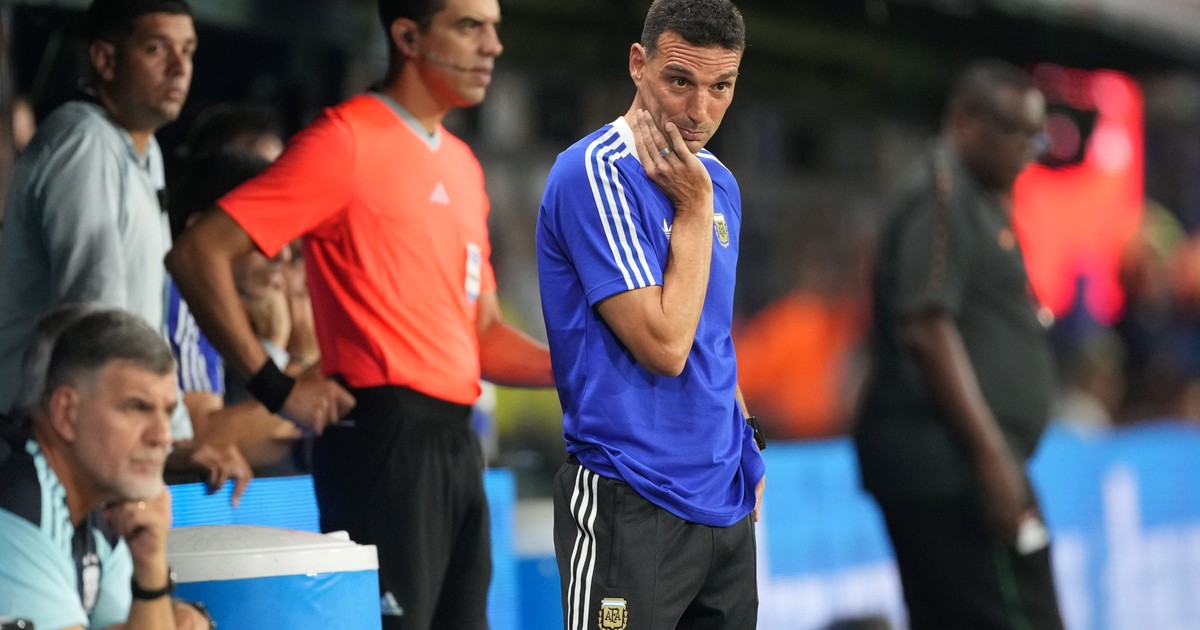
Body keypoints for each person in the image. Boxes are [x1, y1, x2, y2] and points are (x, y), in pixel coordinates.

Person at [165, 0, 554, 627]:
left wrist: (578, 366)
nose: (493, 46)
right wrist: (276, 387)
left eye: (494, 28)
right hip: (382, 438)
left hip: (458, 443)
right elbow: (198, 252)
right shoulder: (343, 141)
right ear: (408, 37)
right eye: (469, 26)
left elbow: (479, 336)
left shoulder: (462, 165)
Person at [535, 0, 765, 627]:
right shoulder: (593, 173)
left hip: (724, 504)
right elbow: (665, 346)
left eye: (721, 87)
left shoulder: (718, 183)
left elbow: (709, 330)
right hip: (629, 498)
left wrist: (745, 439)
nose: (699, 111)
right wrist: (691, 211)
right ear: (639, 64)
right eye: (680, 81)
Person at [0, 0, 251, 502]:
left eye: (188, 51)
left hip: (90, 441)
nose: (179, 68)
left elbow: (145, 323)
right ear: (105, 59)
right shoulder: (84, 143)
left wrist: (173, 438)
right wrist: (159, 444)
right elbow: (98, 321)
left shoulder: (143, 149)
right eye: (157, 49)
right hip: (41, 445)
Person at [853, 59, 1065, 629]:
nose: (1030, 150)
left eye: (1036, 135)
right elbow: (927, 325)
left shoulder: (974, 195)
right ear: (968, 121)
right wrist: (992, 459)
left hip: (962, 464)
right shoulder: (940, 192)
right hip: (956, 468)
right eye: (1018, 132)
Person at [0, 306, 212, 629]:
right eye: (137, 407)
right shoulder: (15, 501)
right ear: (67, 413)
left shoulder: (98, 503)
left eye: (168, 412)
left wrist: (151, 568)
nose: (163, 436)